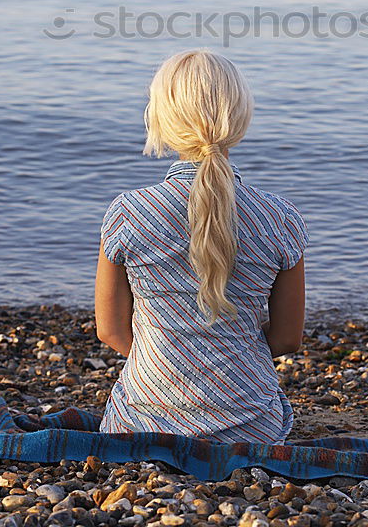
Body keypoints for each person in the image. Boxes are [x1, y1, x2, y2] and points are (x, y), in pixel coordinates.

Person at [94, 48, 308, 443]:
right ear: (241, 118)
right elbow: (286, 339)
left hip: (143, 425)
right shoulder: (281, 218)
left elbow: (110, 331)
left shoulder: (128, 212)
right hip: (250, 427)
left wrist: (167, 364)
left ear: (161, 119)